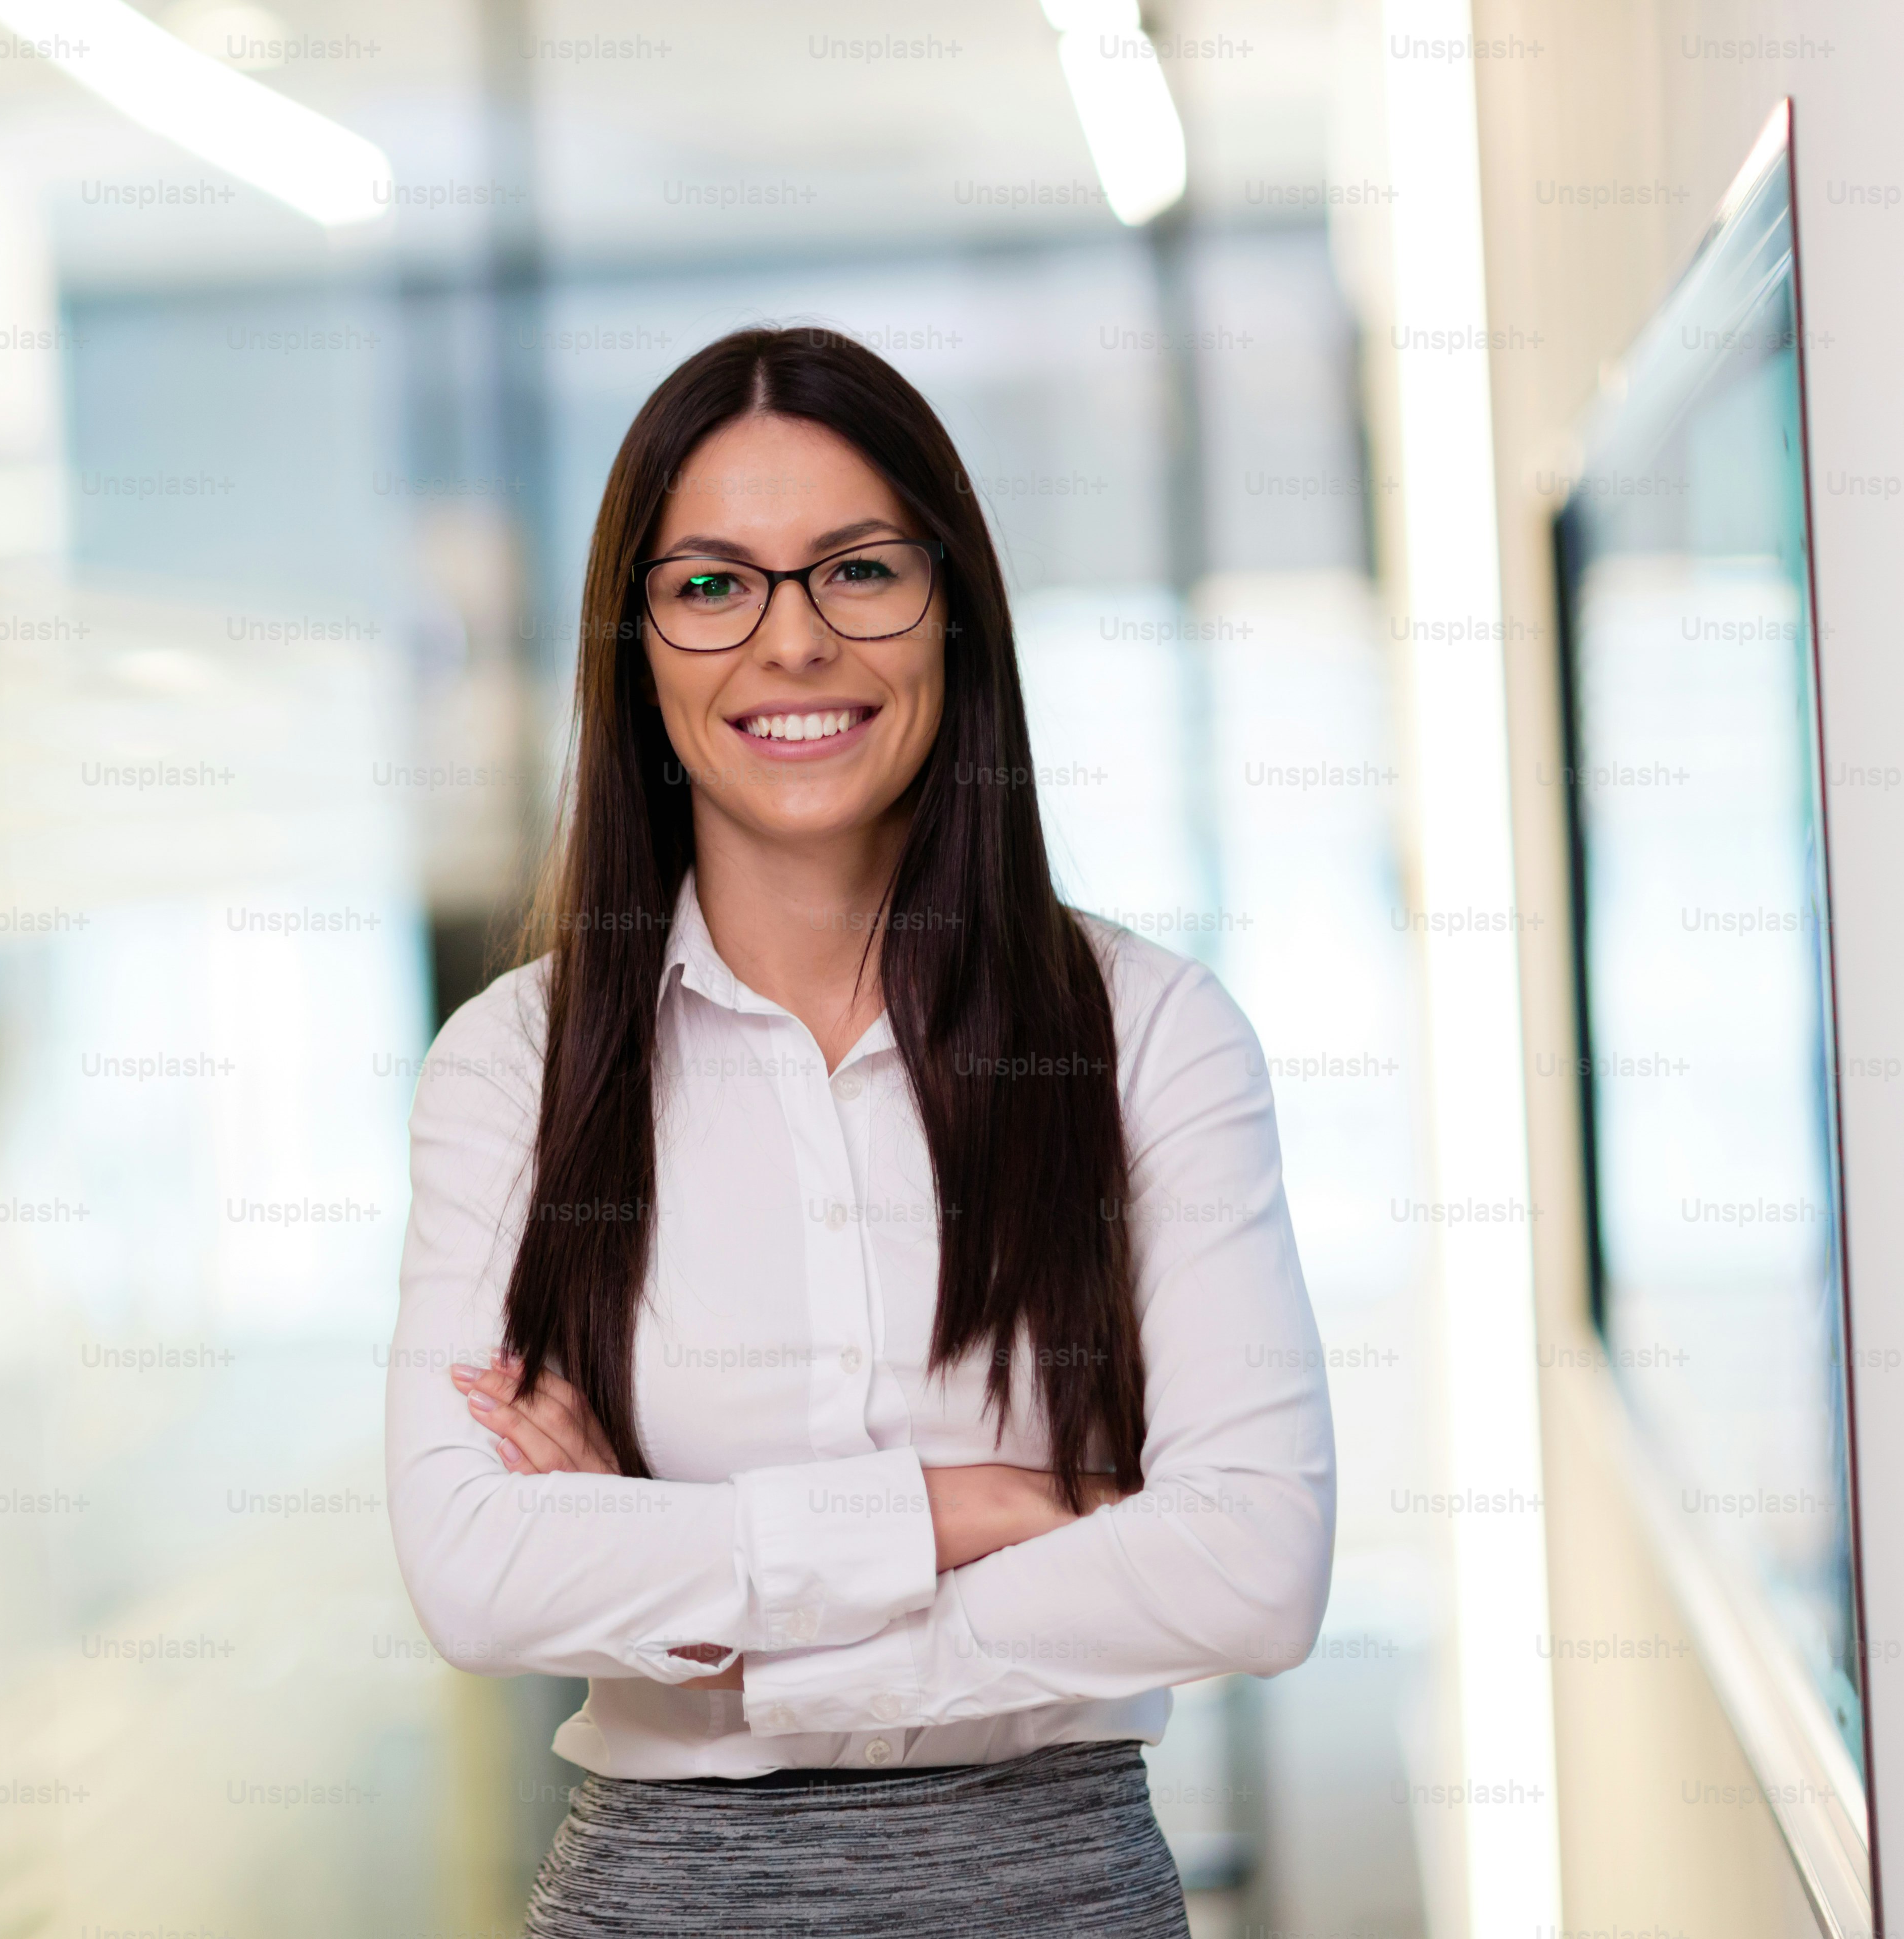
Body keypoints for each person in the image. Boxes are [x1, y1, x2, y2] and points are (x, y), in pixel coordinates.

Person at [384, 327, 1336, 1934]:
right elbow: (478, 1572)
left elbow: (1252, 1560)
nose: (794, 640)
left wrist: (715, 1604)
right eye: (712, 585)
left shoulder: (1148, 1035)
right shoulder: (515, 1072)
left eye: (858, 571)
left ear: (953, 610)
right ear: (638, 646)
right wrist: (964, 1511)